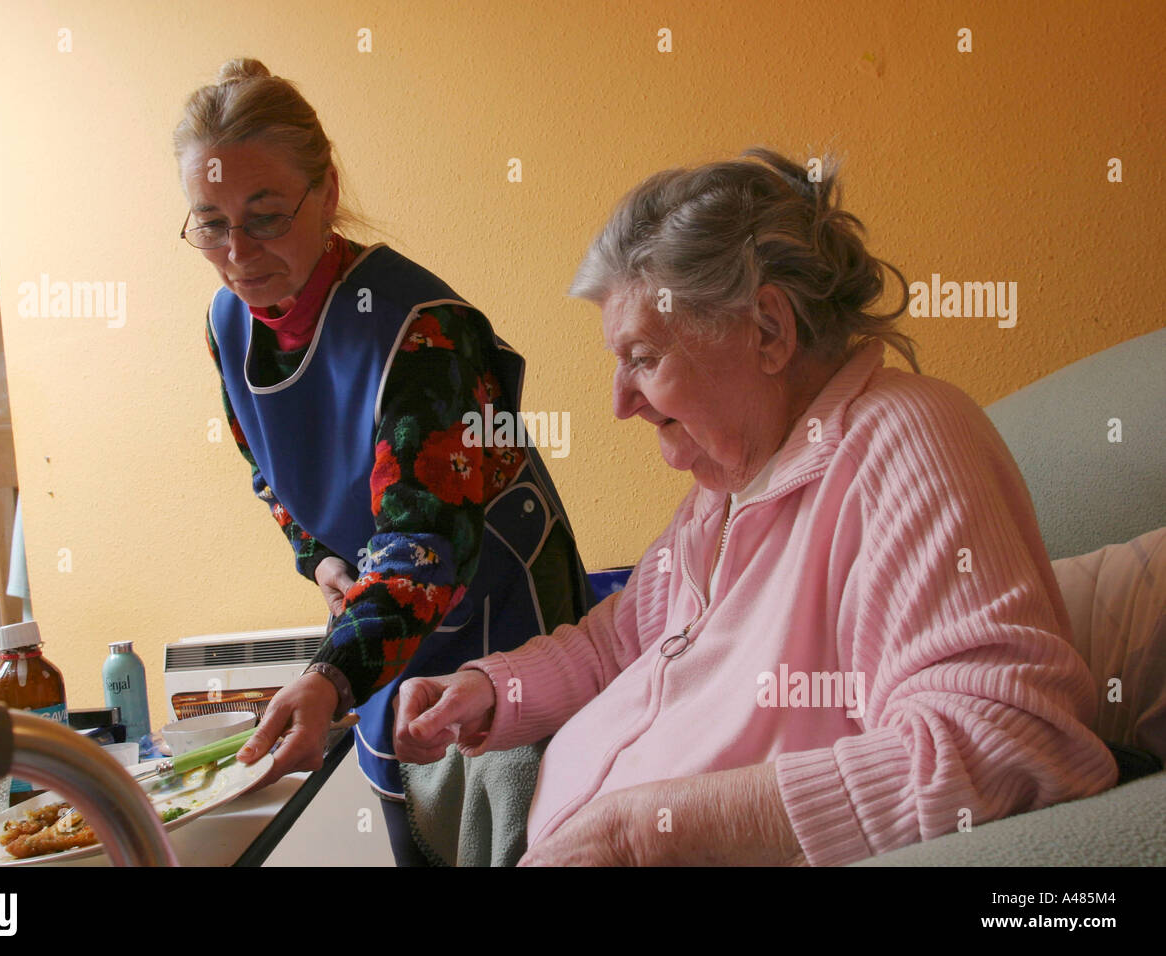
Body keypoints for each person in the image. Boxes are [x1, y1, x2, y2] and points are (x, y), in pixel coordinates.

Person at [393, 148, 1120, 865]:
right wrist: (490, 689)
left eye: (643, 358)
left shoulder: (901, 442)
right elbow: (617, 646)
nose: (619, 404)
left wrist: (643, 837)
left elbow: (1008, 744)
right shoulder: (730, 486)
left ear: (769, 330)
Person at [173, 58, 592, 864]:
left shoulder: (422, 329)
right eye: (210, 223)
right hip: (381, 625)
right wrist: (320, 558)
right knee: (416, 831)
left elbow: (424, 549)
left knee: (515, 832)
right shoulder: (229, 325)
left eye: (264, 217)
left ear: (325, 193)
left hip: (503, 620)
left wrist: (331, 675)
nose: (237, 253)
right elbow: (270, 474)